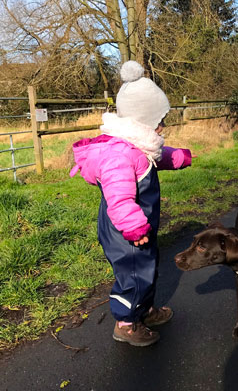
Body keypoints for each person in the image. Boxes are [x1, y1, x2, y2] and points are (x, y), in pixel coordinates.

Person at [70, 61, 192, 346]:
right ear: (144, 122)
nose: (163, 128)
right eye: (160, 122)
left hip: (137, 225)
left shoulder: (136, 145)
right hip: (126, 229)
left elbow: (155, 157)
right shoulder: (119, 156)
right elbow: (120, 199)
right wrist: (136, 229)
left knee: (146, 268)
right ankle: (126, 323)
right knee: (133, 275)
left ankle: (144, 310)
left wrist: (179, 158)